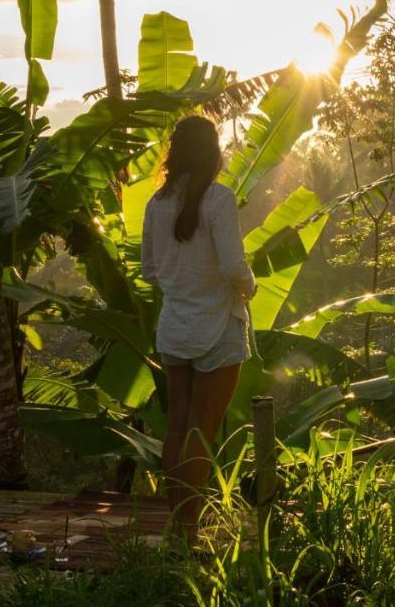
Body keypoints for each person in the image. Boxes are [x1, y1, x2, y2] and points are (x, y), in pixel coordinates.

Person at [140, 115, 256, 545]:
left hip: (174, 328)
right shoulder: (219, 200)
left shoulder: (156, 203)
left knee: (177, 426)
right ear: (213, 152)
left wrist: (181, 282)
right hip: (218, 327)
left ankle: (179, 523)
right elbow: (232, 267)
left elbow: (150, 271)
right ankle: (189, 530)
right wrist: (251, 286)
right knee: (203, 428)